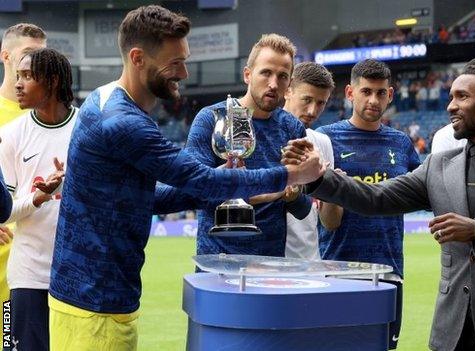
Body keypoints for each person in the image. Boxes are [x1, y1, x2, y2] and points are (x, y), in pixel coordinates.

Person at [47, 7, 323, 351]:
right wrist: (291, 174)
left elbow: (154, 199)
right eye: (174, 63)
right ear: (138, 58)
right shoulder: (127, 123)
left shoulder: (102, 98)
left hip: (93, 293)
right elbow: (200, 180)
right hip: (96, 301)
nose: (184, 72)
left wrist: (216, 184)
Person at [284, 64, 475, 350]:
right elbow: (376, 198)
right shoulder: (439, 166)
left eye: (462, 97)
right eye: (451, 97)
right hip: (452, 330)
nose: (451, 107)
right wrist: (319, 176)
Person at [314, 59, 421, 350]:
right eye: (366, 91)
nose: (373, 99)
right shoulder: (326, 139)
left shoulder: (401, 144)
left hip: (388, 270)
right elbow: (328, 221)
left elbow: (420, 192)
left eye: (380, 92)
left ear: (390, 95)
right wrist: (333, 189)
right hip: (339, 271)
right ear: (350, 93)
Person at [186, 33, 312, 258]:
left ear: (290, 83)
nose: (274, 84)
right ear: (247, 74)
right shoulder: (211, 119)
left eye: (283, 76)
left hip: (270, 265)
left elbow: (303, 210)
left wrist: (292, 195)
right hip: (217, 262)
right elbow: (193, 189)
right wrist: (271, 189)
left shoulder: (292, 128)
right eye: (266, 73)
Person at [0, 48, 74, 351]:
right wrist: (39, 198)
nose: (19, 84)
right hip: (28, 274)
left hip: (74, 273)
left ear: (53, 81)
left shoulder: (86, 129)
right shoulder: (11, 135)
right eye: (18, 76)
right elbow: (5, 213)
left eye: (28, 76)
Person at [0, 24, 46, 322]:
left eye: (43, 56)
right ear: (5, 56)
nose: (36, 63)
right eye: (28, 54)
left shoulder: (53, 115)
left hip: (39, 263)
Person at [283, 62, 340, 260]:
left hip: (308, 265)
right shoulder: (258, 137)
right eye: (306, 99)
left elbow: (331, 223)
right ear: (288, 91)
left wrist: (333, 189)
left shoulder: (322, 143)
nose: (312, 110)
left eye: (321, 103)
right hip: (263, 263)